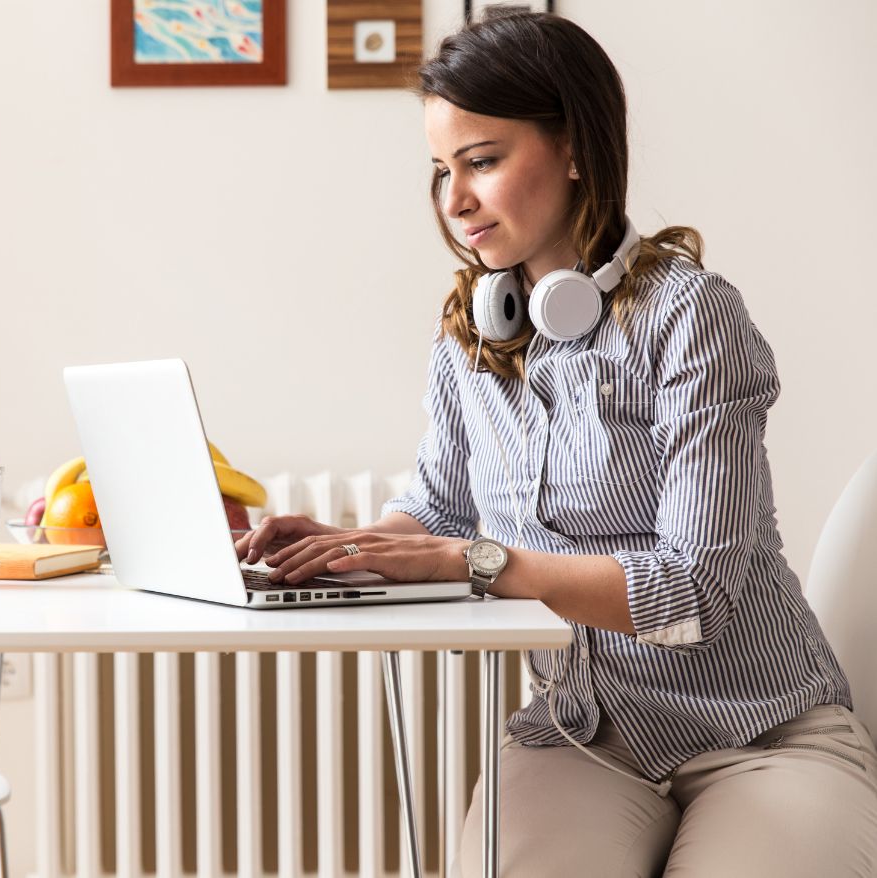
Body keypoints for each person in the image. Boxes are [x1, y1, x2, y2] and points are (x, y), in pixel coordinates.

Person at [234, 10, 877, 876]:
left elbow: (693, 590)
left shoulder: (692, 318)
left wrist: (479, 561)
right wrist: (344, 545)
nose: (454, 200)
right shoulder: (470, 328)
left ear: (574, 148)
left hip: (761, 732)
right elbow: (438, 512)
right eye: (441, 170)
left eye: (483, 161)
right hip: (584, 736)